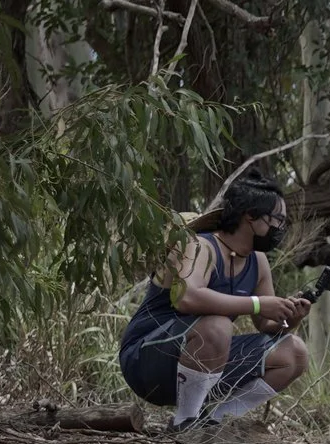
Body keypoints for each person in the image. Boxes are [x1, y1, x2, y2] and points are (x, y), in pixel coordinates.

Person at [119, 174, 312, 428]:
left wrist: (290, 317)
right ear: (250, 216)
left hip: (205, 364)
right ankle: (185, 423)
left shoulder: (258, 262)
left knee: (295, 352)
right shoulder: (200, 246)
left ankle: (215, 422)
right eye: (277, 220)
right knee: (218, 326)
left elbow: (266, 325)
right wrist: (258, 303)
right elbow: (187, 297)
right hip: (147, 359)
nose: (280, 229)